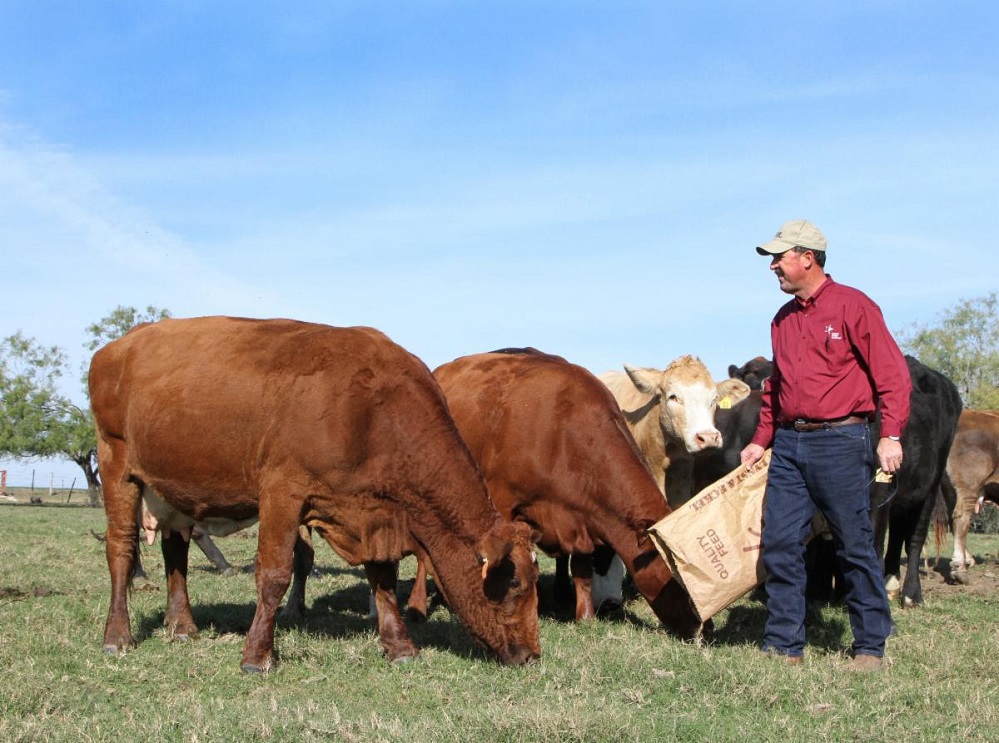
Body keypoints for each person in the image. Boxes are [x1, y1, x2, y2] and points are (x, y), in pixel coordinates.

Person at [740, 219, 911, 672]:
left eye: (780, 257)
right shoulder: (781, 320)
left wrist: (890, 434)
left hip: (841, 439)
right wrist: (761, 440)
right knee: (778, 544)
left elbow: (891, 375)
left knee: (853, 544)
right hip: (790, 446)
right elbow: (777, 388)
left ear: (807, 258)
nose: (774, 265)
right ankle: (783, 644)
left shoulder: (853, 306)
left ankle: (870, 646)